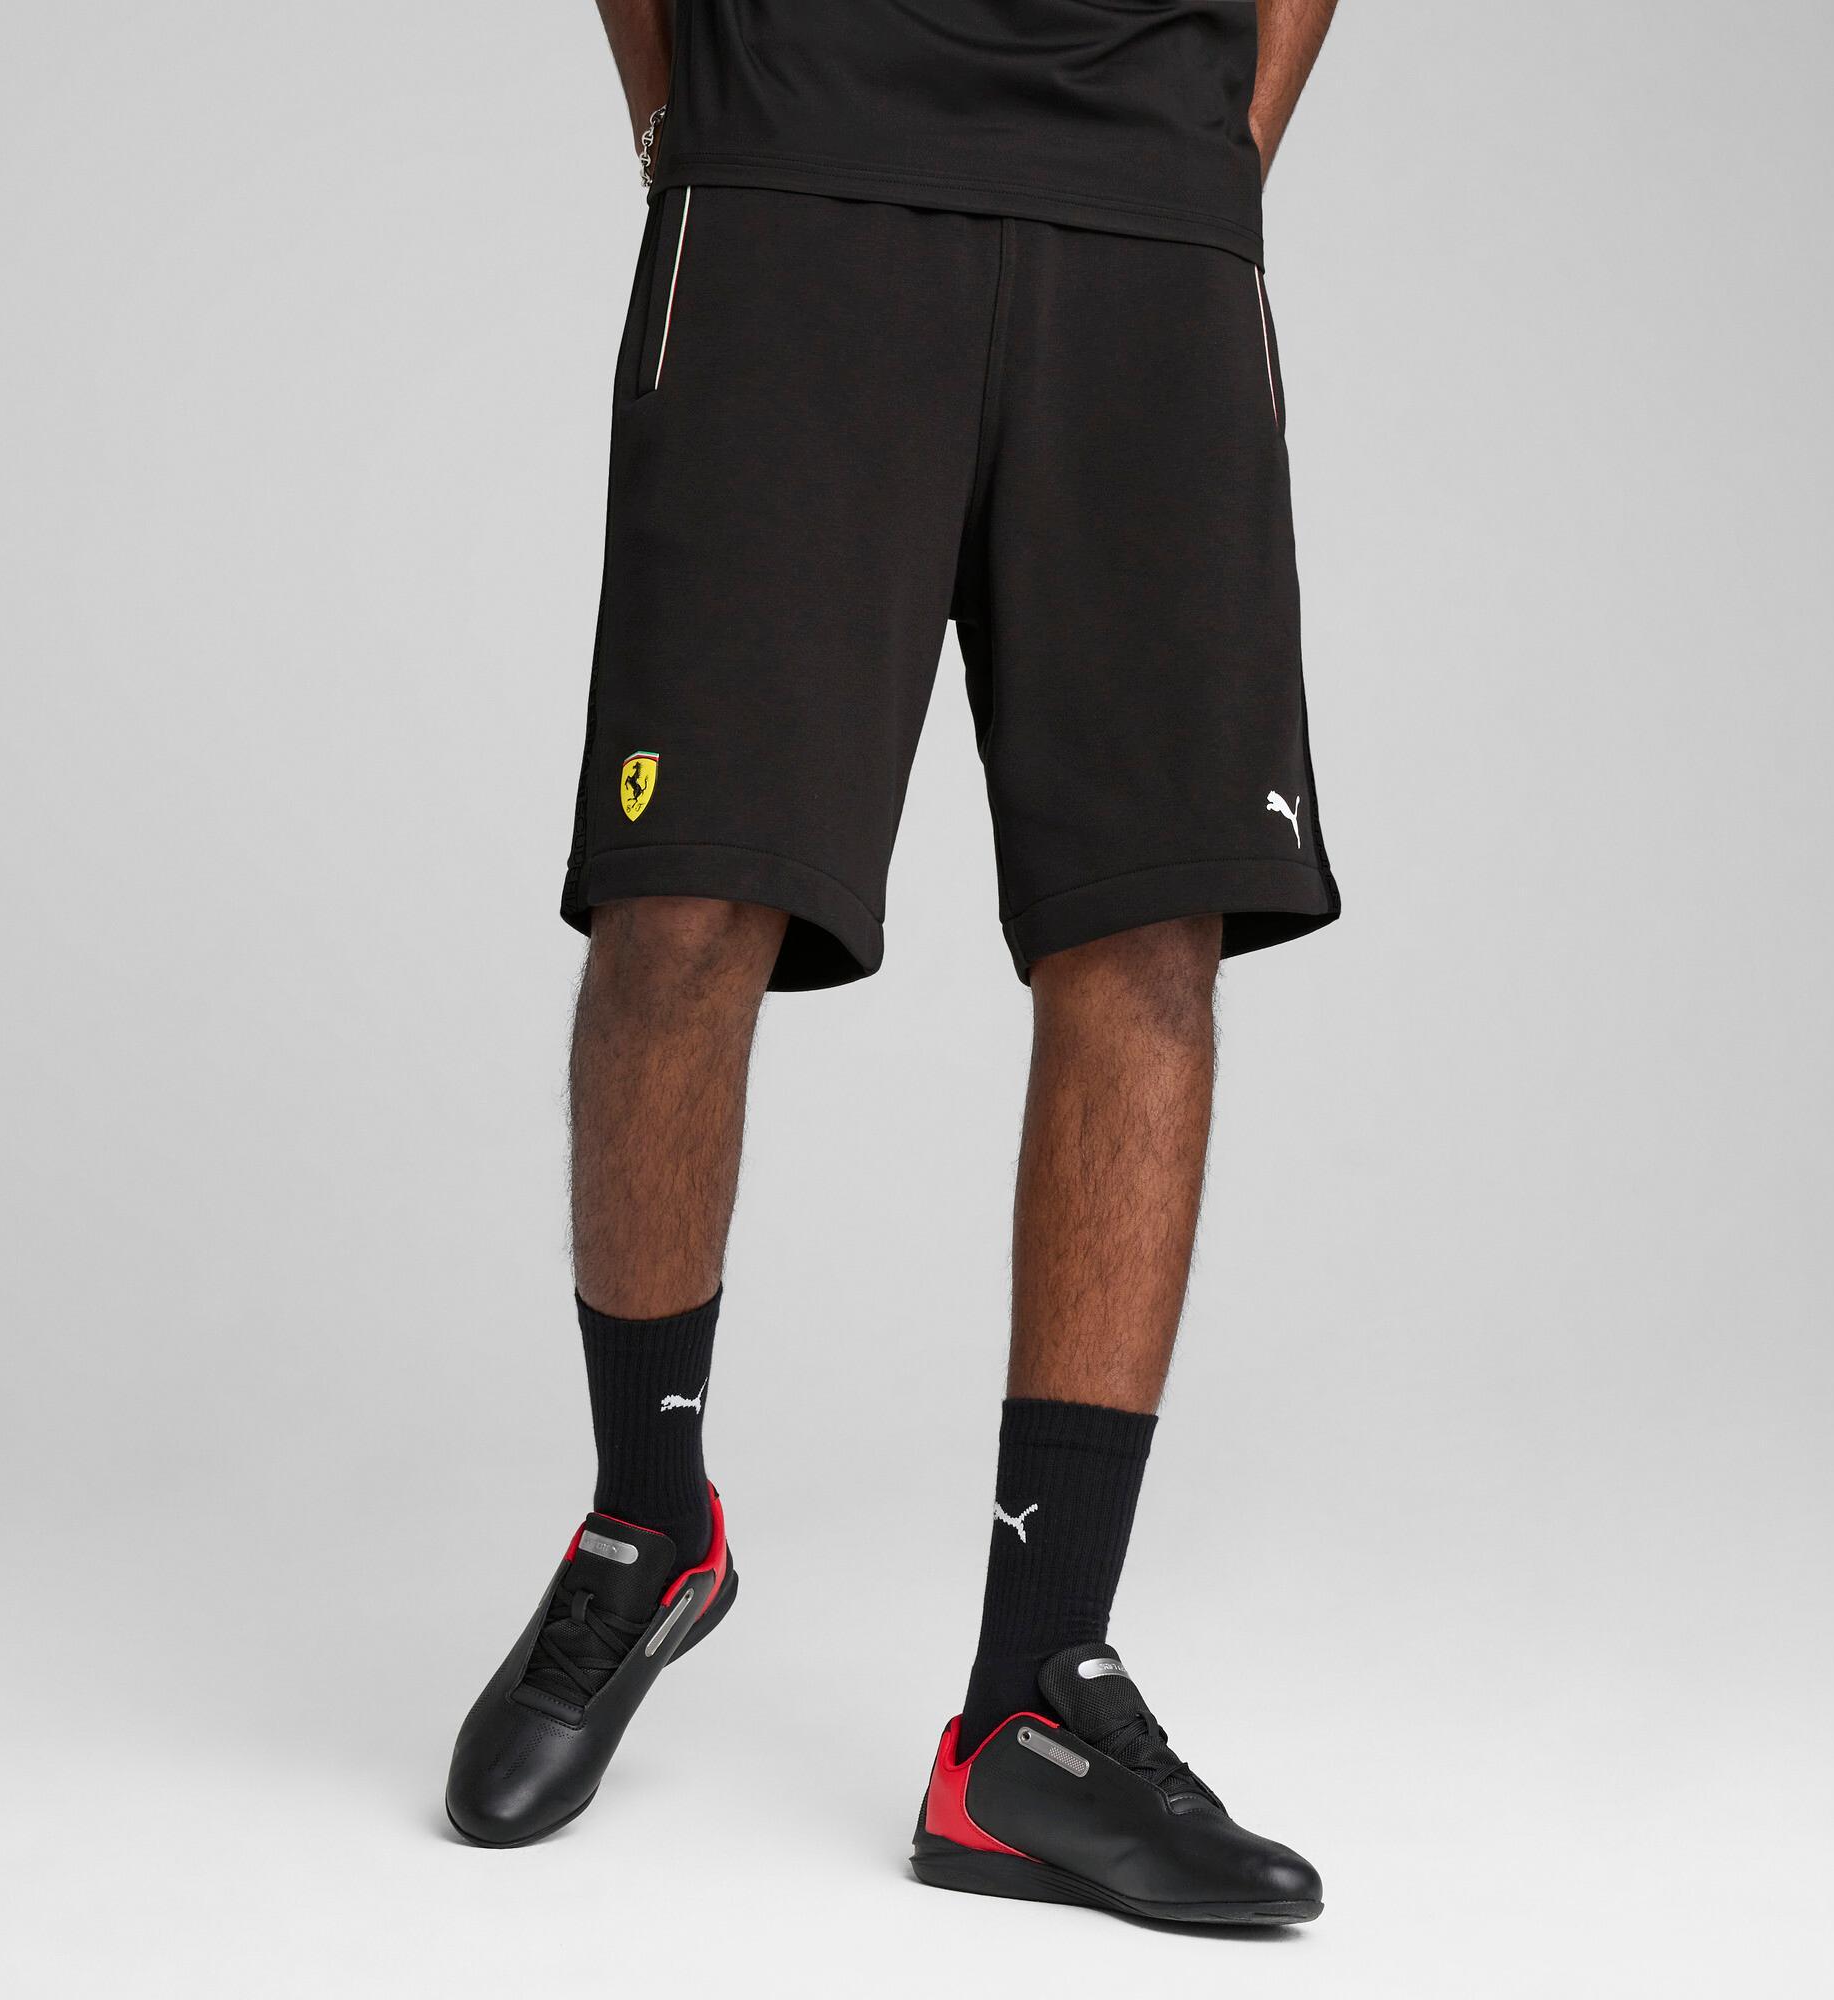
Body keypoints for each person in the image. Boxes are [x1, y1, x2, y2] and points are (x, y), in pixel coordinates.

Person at [447, 0, 1343, 1929]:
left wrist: (1209, 144)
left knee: (1148, 926)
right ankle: (647, 1523)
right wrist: (710, 131)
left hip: (1147, 209)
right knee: (684, 898)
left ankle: (1032, 1711)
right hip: (793, 166)